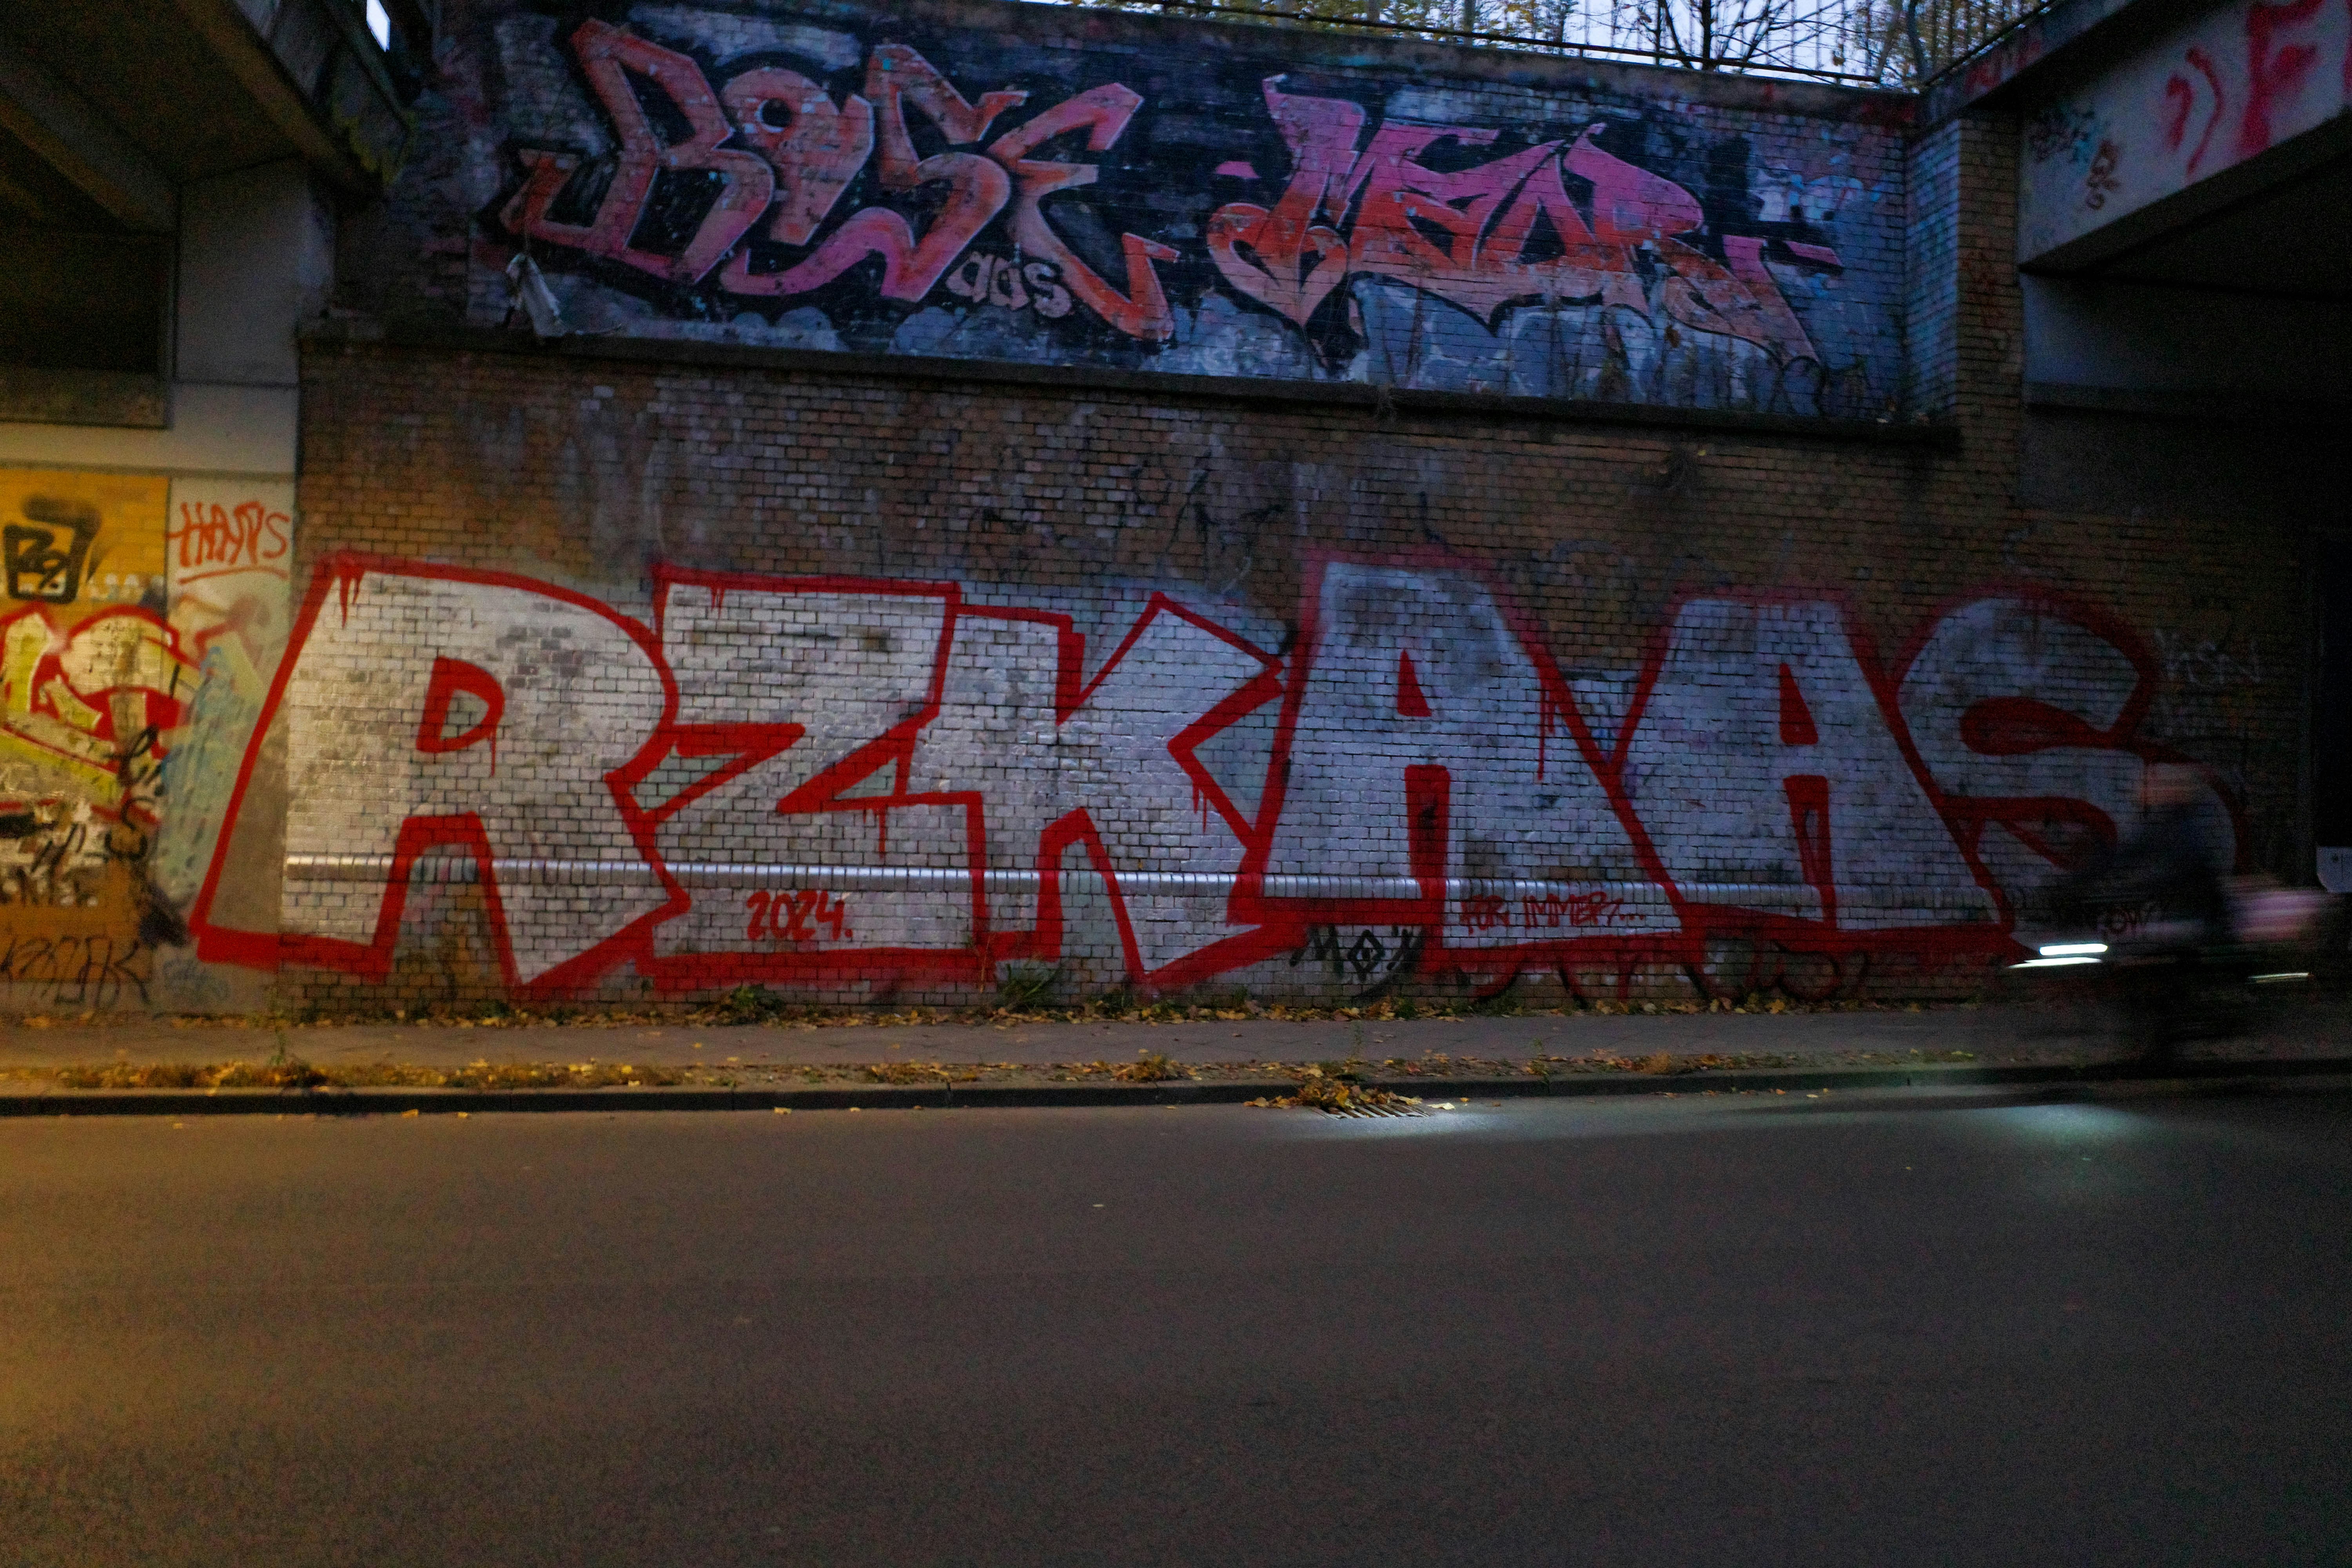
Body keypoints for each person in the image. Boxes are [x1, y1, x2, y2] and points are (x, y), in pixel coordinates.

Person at [2096, 764, 2236, 1061]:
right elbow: (2126, 857)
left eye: (2153, 786)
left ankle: (2159, 1033)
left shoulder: (2181, 830)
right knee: (2141, 954)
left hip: (2196, 923)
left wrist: (2129, 884)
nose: (2144, 790)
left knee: (2133, 956)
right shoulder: (2165, 825)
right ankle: (2161, 1031)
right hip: (2186, 920)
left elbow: (2169, 870)